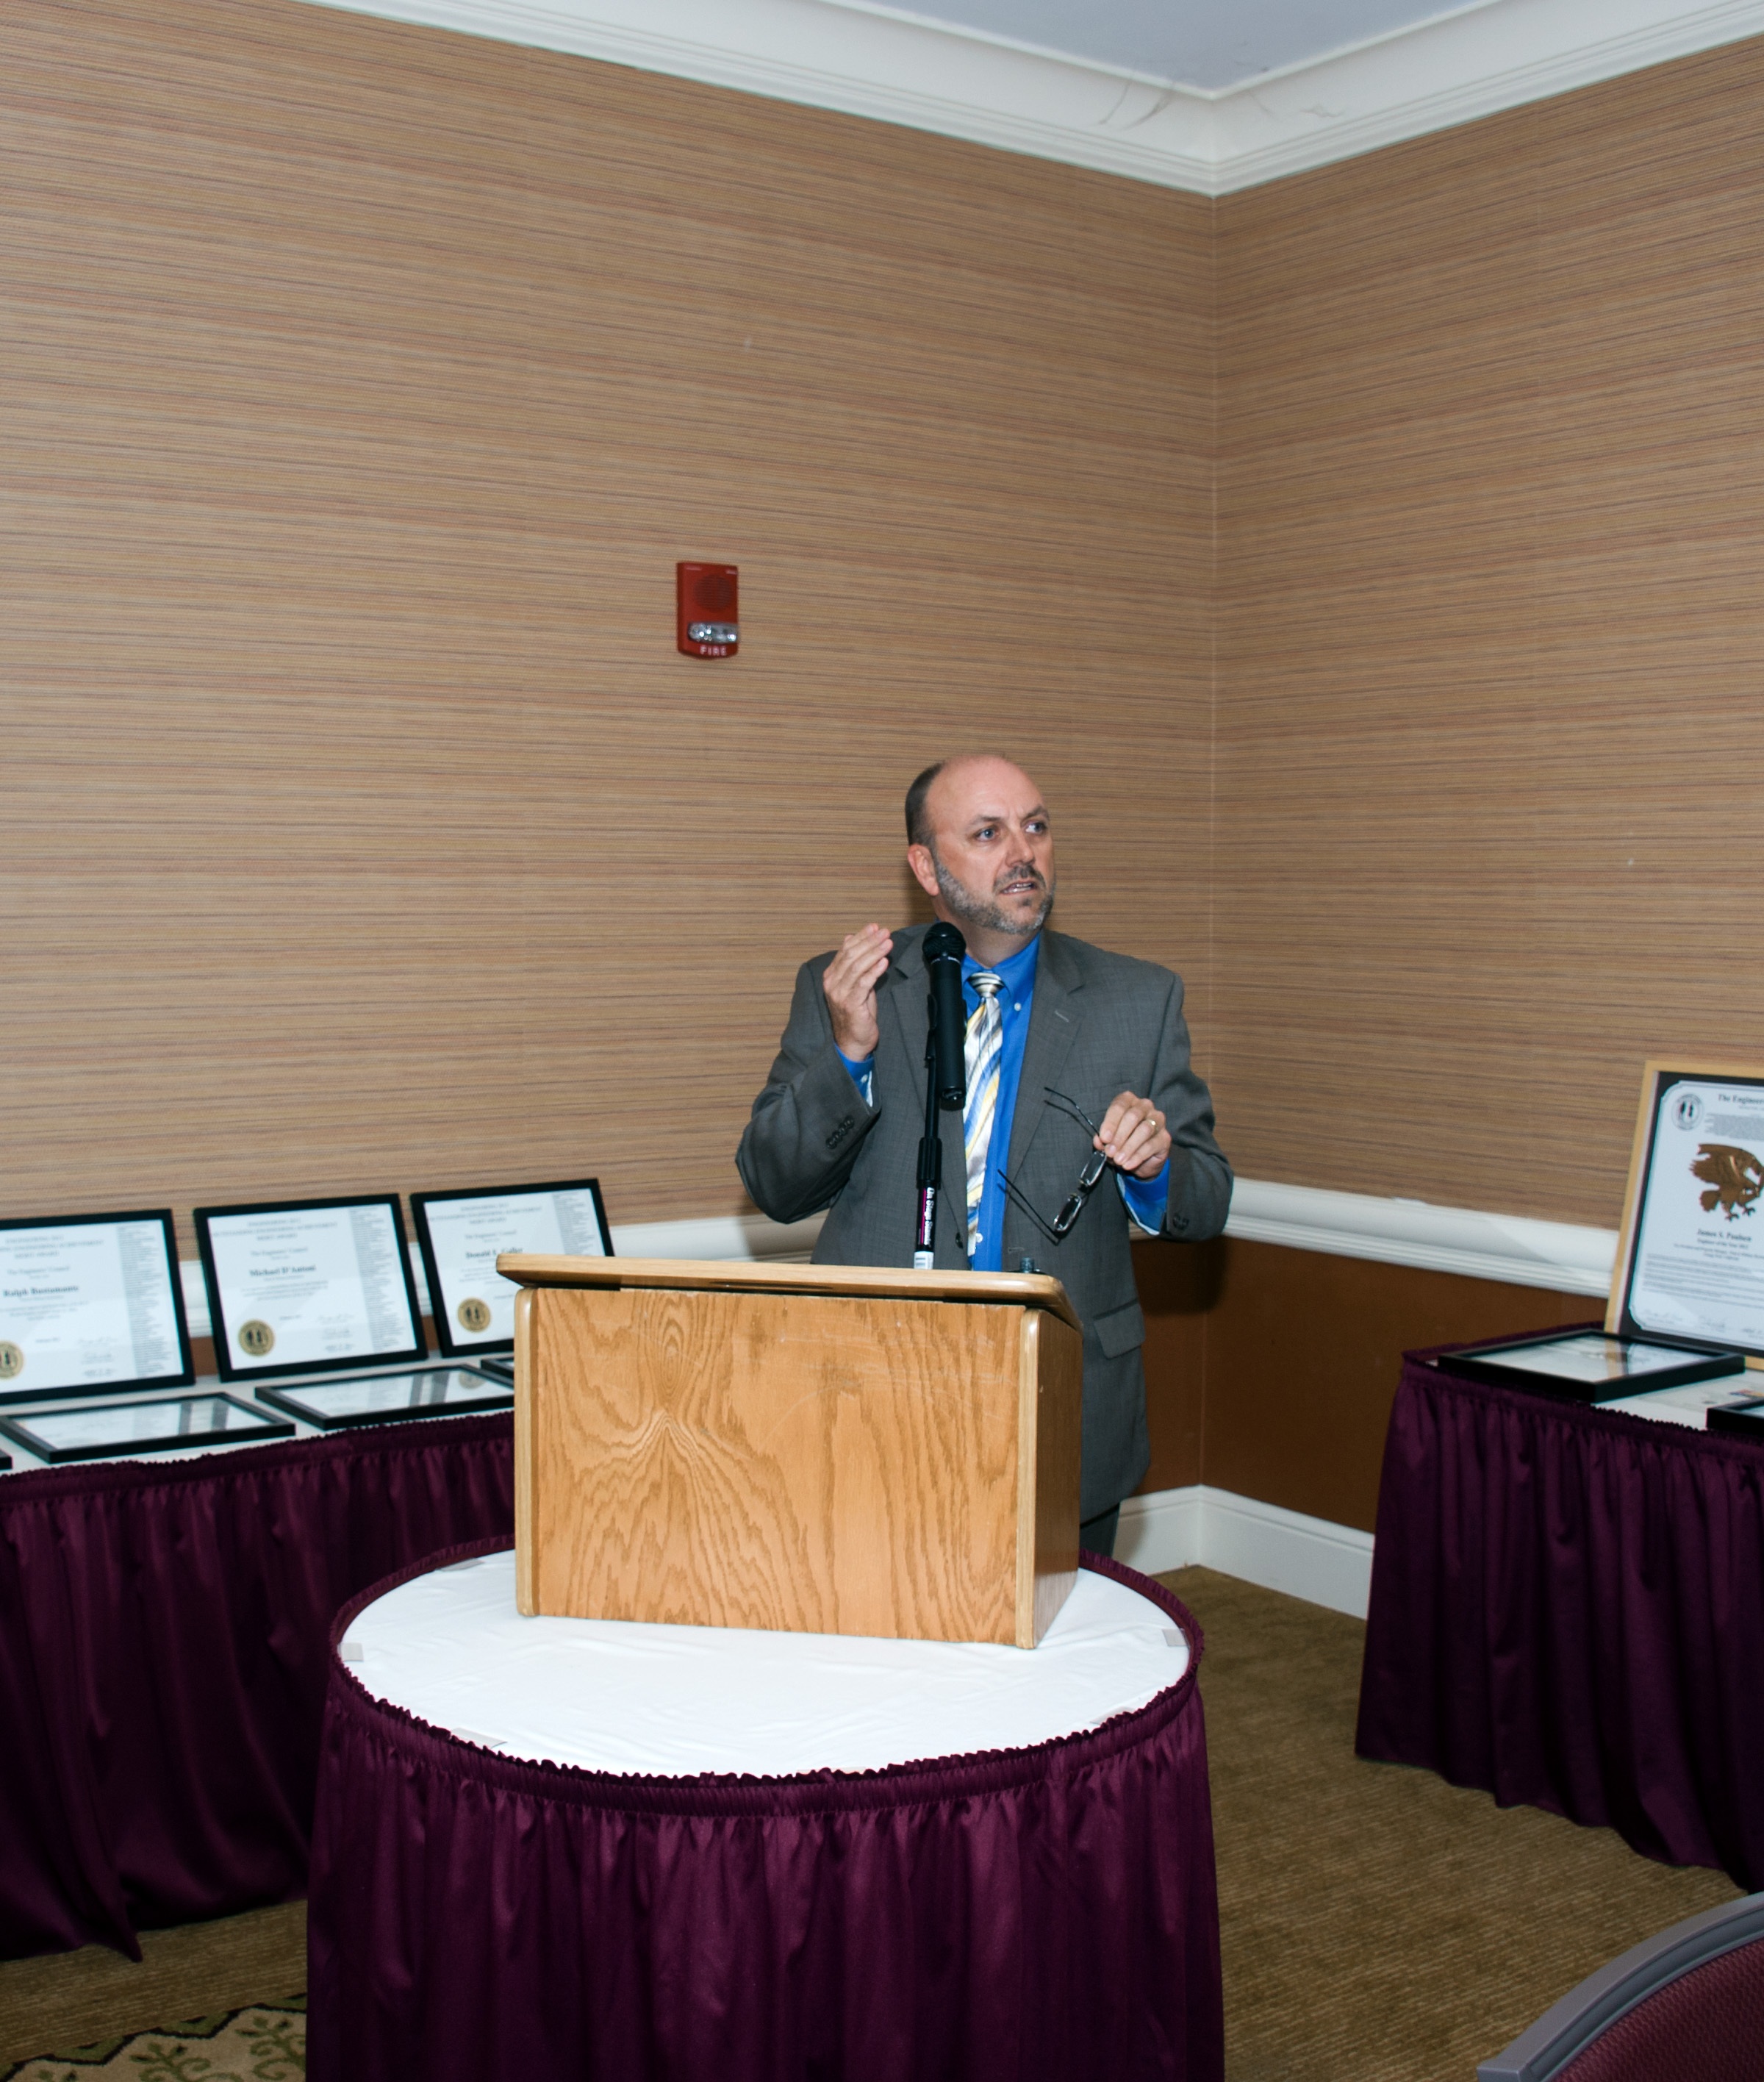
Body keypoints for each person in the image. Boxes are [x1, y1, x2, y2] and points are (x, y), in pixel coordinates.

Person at [736, 754, 1232, 1556]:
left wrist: (1156, 1167)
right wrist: (849, 1058)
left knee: (1063, 1662)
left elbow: (1206, 1202)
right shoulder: (852, 991)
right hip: (873, 1395)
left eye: (1036, 827)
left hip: (1063, 1400)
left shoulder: (1138, 1000)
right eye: (988, 833)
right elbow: (772, 1186)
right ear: (926, 866)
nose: (1022, 853)